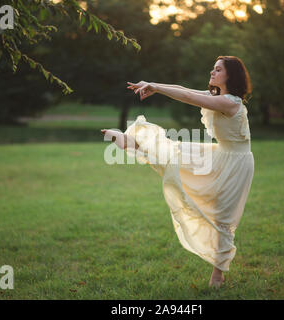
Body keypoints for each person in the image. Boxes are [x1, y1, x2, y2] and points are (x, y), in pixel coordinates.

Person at [101, 56, 254, 289]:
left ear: (230, 75)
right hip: (220, 153)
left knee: (223, 215)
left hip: (236, 162)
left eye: (218, 69)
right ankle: (131, 142)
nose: (212, 72)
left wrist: (155, 88)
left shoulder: (230, 103)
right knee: (177, 151)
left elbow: (189, 97)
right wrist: (153, 84)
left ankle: (218, 274)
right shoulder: (217, 96)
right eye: (212, 68)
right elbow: (184, 89)